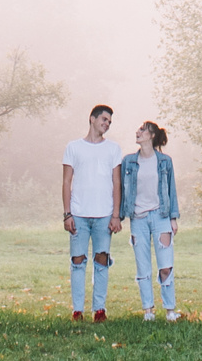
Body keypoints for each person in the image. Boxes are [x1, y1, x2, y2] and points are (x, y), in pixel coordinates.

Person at [61, 103, 120, 321]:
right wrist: (67, 214)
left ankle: (100, 309)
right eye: (104, 119)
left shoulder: (113, 149)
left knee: (102, 259)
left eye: (109, 122)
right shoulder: (74, 147)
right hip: (79, 214)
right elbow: (67, 181)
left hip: (104, 214)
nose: (107, 124)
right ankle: (78, 309)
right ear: (92, 119)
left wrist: (116, 215)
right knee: (77, 260)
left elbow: (116, 182)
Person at [117, 120, 181, 320]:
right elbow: (120, 190)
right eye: (138, 129)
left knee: (165, 265)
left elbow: (171, 189)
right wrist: (118, 217)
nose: (138, 132)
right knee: (143, 266)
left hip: (161, 216)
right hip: (138, 218)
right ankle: (148, 311)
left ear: (152, 135)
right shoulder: (128, 161)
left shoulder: (164, 161)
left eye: (143, 129)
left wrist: (173, 218)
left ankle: (170, 310)